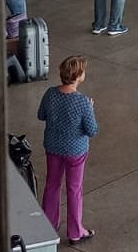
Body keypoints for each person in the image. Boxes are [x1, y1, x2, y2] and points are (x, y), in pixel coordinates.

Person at [37, 55, 98, 245]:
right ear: (79, 76)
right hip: (76, 151)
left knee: (52, 184)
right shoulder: (82, 102)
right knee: (74, 189)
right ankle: (75, 232)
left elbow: (41, 115)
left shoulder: (50, 93)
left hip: (53, 147)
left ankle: (48, 224)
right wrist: (91, 109)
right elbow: (92, 130)